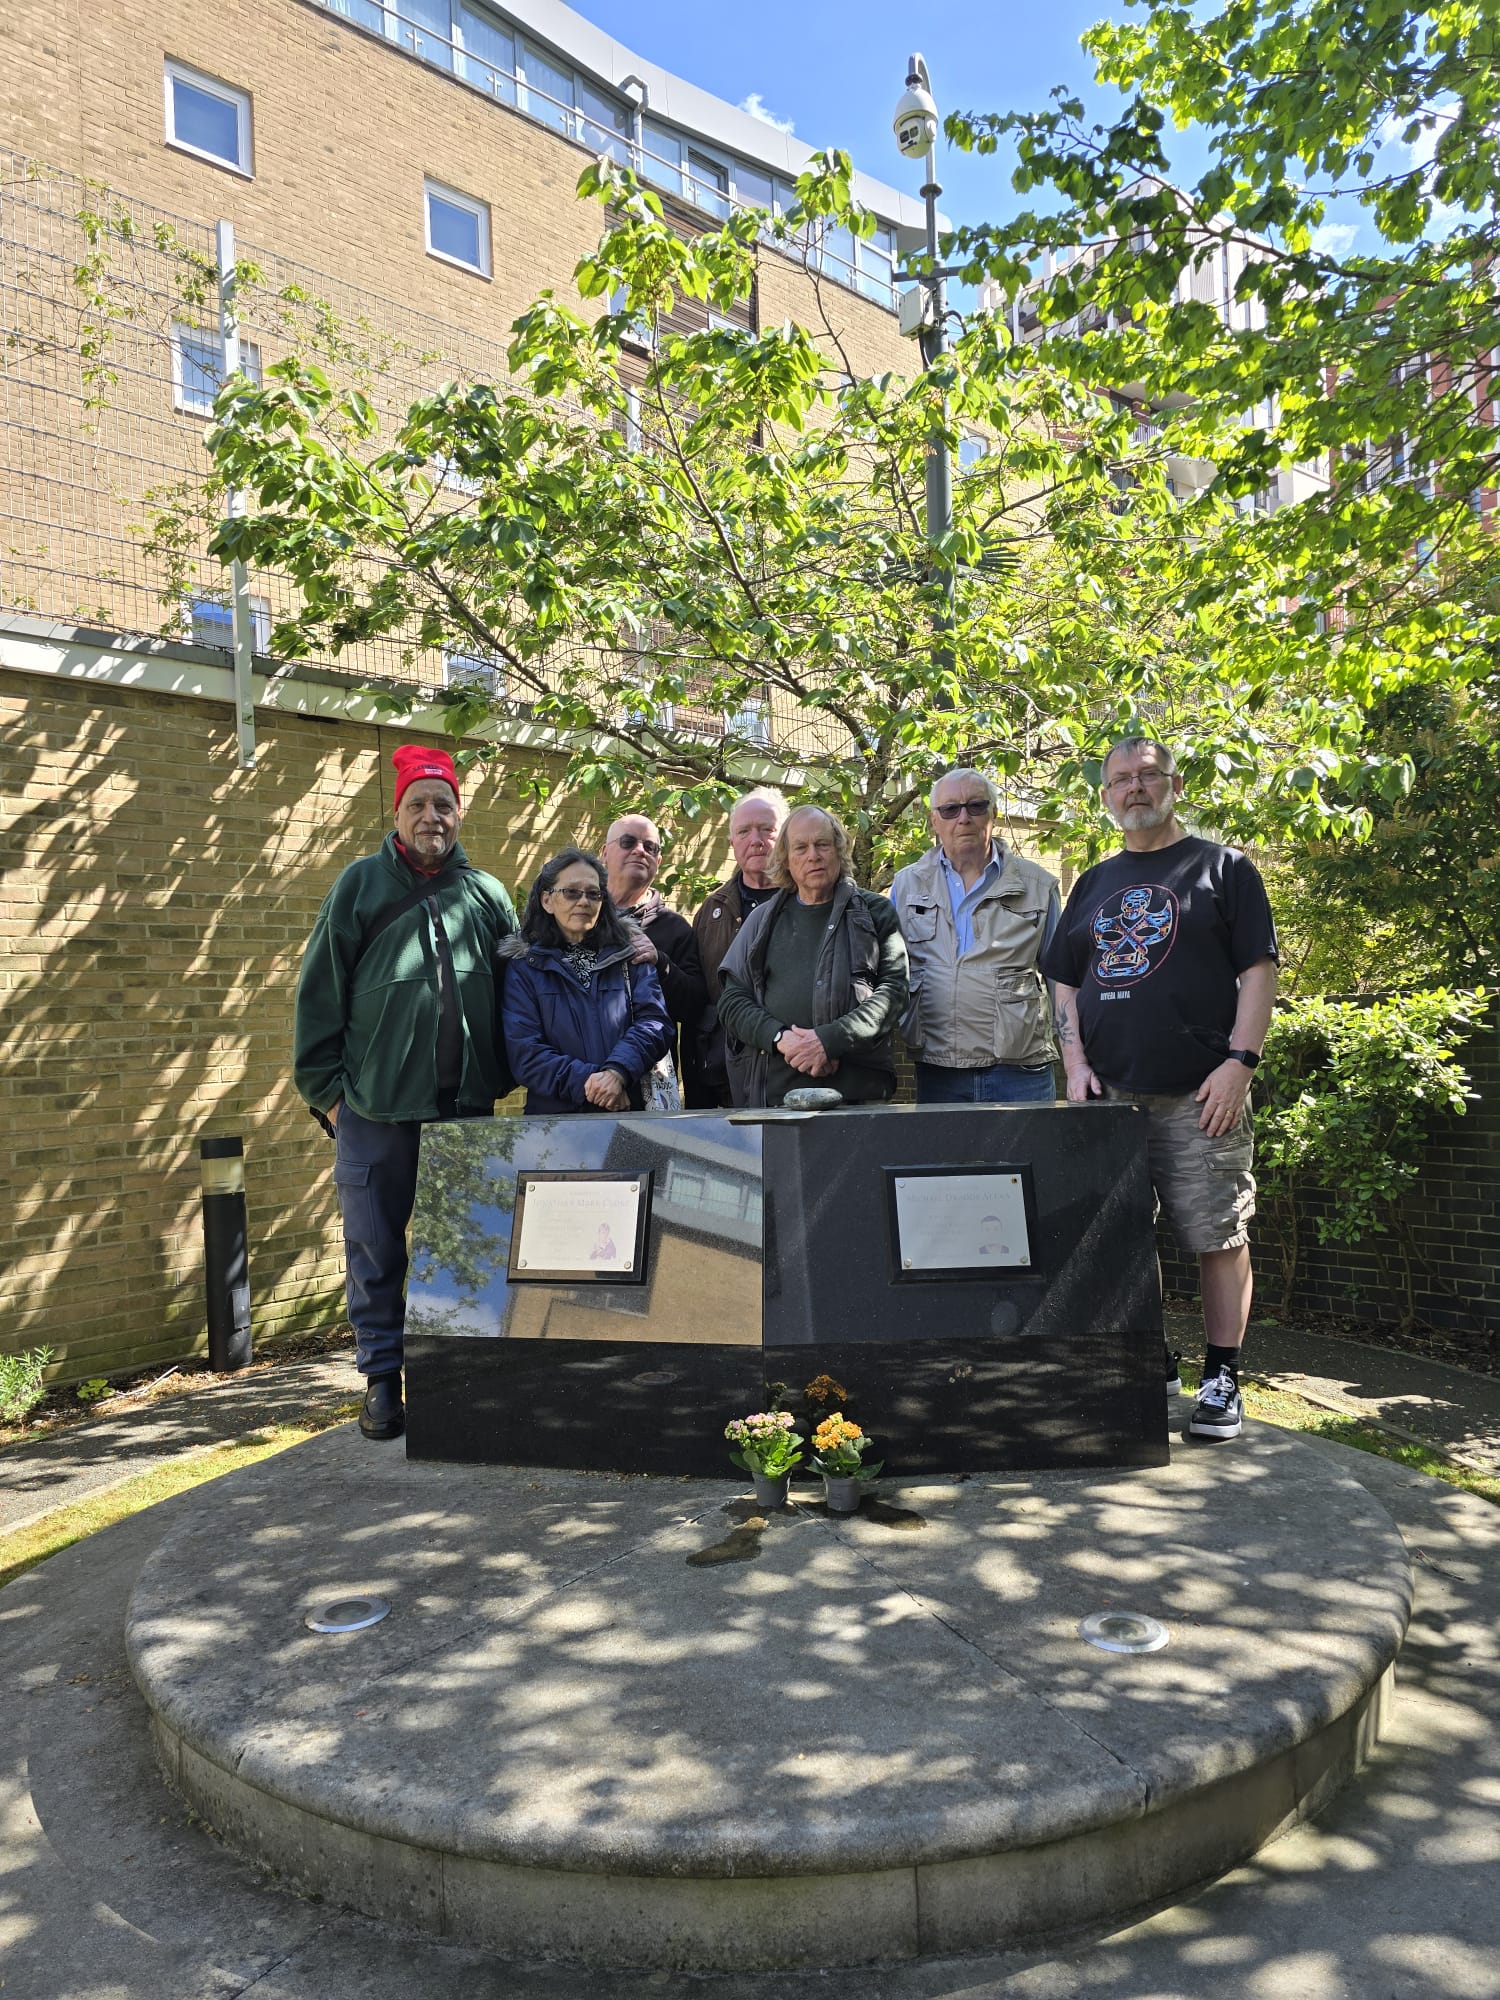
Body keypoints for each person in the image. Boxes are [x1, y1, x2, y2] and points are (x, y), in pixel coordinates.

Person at [1040, 737, 1279, 1442]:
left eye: (1147, 775)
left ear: (1174, 783)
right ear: (1107, 795)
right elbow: (1065, 979)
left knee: (1218, 1234)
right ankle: (1151, 1356)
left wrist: (1241, 1061)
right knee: (1118, 1238)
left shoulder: (1225, 869)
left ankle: (1222, 1377)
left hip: (1200, 1094)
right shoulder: (1092, 882)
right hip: (1110, 1095)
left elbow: (1259, 971)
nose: (1135, 788)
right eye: (1121, 779)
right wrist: (1074, 1061)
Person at [294, 744, 517, 1443]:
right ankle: (383, 1383)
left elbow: (521, 994)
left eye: (442, 805)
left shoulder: (487, 896)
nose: (432, 817)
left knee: (464, 1250)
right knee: (376, 1249)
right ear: (398, 812)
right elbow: (318, 998)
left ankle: (454, 1378)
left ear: (460, 812)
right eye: (418, 804)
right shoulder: (359, 886)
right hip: (376, 1109)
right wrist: (334, 1097)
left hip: (463, 1112)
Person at [716, 805, 909, 1107]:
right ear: (786, 859)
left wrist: (829, 1041)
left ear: (839, 850)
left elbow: (894, 992)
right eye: (801, 848)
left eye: (822, 845)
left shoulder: (874, 912)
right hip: (777, 1099)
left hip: (859, 1096)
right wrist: (782, 1039)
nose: (813, 856)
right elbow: (731, 1001)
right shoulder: (762, 920)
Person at [890, 768, 1061, 1104]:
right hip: (938, 1069)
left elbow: (1062, 980)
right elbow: (890, 972)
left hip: (1021, 1069)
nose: (963, 818)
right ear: (934, 821)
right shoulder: (906, 886)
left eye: (976, 806)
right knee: (947, 1158)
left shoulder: (1039, 886)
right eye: (950, 809)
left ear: (993, 814)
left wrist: (1077, 1059)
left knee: (1031, 1158)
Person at [500, 847, 673, 1115]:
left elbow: (655, 1023)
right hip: (554, 1126)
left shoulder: (629, 955)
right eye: (571, 892)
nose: (583, 901)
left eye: (593, 894)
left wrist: (617, 1072)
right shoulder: (525, 968)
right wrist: (592, 1083)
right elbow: (526, 1053)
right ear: (547, 900)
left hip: (628, 1116)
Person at [601, 812, 708, 1103]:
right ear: (604, 853)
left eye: (651, 847)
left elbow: (696, 1006)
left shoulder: (676, 929)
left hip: (649, 1087)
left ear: (658, 863)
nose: (640, 851)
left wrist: (661, 964)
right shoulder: (578, 918)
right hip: (584, 1078)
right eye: (628, 842)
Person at [691, 789, 787, 1106]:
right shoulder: (711, 911)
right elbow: (700, 1001)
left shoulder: (809, 901)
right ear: (732, 843)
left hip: (792, 1072)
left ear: (785, 836)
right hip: (727, 1080)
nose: (755, 840)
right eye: (744, 831)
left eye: (767, 829)